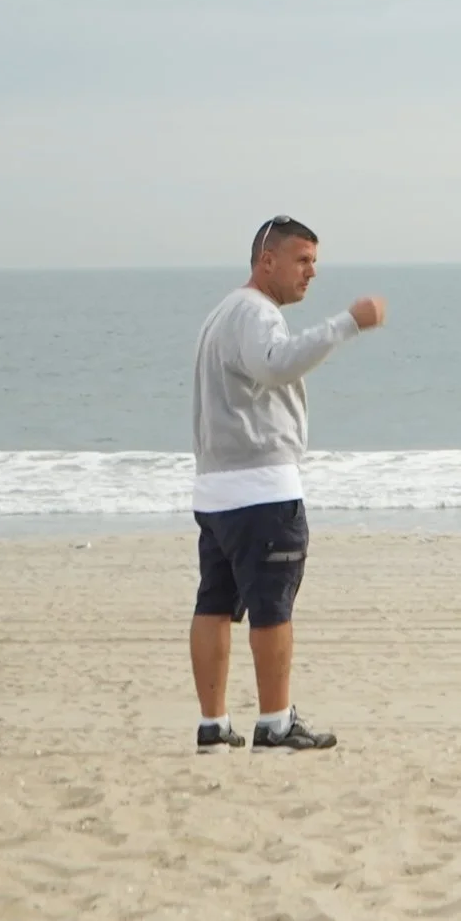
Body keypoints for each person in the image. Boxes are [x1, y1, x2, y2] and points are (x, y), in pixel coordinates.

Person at [190, 217, 385, 752]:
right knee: (271, 607)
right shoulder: (254, 312)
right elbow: (275, 363)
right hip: (260, 489)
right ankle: (274, 722)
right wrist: (348, 323)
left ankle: (213, 725)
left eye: (314, 263)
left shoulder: (223, 313)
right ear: (266, 260)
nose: (311, 274)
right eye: (302, 261)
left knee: (214, 604)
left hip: (217, 488)